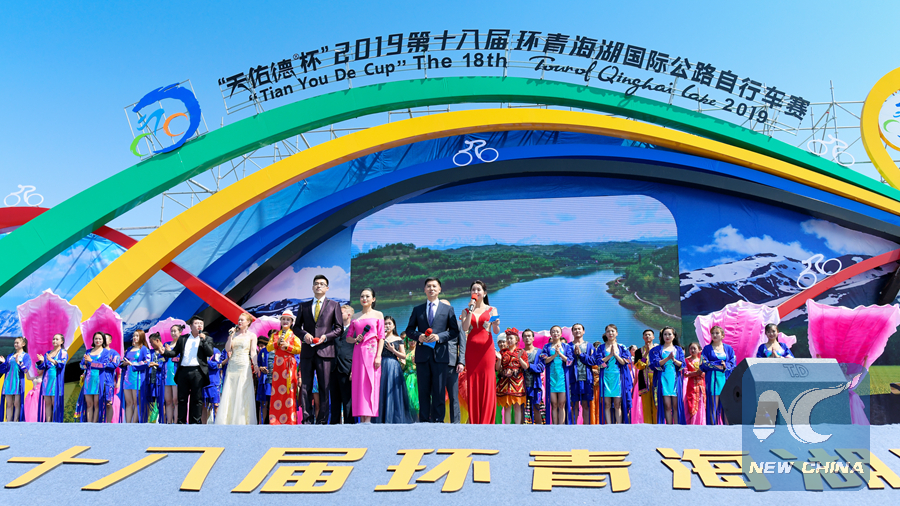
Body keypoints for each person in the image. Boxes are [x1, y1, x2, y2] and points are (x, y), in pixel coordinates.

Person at [405, 277, 462, 423]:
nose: (431, 289)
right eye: (428, 286)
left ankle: (438, 420)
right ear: (424, 289)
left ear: (439, 289)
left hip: (440, 356)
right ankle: (424, 420)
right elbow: (409, 330)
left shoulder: (448, 309)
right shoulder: (417, 309)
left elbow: (454, 331)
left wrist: (439, 337)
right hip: (422, 355)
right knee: (423, 390)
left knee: (439, 390)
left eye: (434, 286)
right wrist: (419, 336)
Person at [295, 274, 345, 425]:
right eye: (316, 283)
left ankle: (322, 420)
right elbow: (296, 327)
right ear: (312, 287)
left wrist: (326, 337)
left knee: (324, 386)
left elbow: (339, 329)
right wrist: (304, 335)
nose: (318, 286)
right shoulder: (303, 306)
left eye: (322, 284)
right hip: (307, 351)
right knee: (305, 386)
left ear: (327, 288)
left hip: (325, 351)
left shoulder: (334, 305)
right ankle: (307, 419)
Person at [153, 315, 216, 424]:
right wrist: (164, 352)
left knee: (197, 399)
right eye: (196, 323)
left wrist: (204, 340)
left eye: (201, 324)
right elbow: (174, 352)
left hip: (198, 371)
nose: (199, 325)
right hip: (183, 371)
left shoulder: (207, 339)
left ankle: (195, 422)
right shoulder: (183, 339)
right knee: (182, 398)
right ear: (190, 326)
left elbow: (209, 352)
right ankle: (181, 422)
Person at [460, 280, 500, 425]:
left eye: (478, 289)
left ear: (485, 293)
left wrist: (494, 324)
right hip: (471, 350)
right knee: (473, 381)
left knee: (487, 380)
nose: (476, 292)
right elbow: (465, 328)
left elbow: (496, 330)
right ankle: (475, 420)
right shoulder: (465, 311)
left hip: (487, 350)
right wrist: (470, 310)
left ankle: (487, 420)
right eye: (473, 289)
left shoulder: (492, 310)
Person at [348, 287, 385, 423]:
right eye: (362, 296)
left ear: (373, 299)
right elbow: (348, 338)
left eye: (367, 296)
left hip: (372, 352)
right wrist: (355, 339)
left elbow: (381, 337)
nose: (364, 299)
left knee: (371, 382)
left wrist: (378, 356)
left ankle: (368, 418)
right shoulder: (355, 317)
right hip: (358, 352)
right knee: (359, 383)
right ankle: (361, 417)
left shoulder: (378, 315)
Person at [215, 313, 259, 425]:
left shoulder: (252, 336)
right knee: (230, 389)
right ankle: (227, 420)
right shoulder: (234, 334)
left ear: (248, 322)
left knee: (242, 389)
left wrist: (256, 365)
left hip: (244, 364)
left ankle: (241, 419)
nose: (239, 322)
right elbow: (227, 348)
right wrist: (230, 336)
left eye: (242, 320)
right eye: (239, 320)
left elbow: (253, 351)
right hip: (233, 364)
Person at [375, 317, 414, 424]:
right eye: (385, 324)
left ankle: (394, 418)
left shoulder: (398, 339)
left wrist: (393, 350)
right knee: (381, 390)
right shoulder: (379, 338)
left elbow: (403, 356)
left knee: (393, 391)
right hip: (381, 365)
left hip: (393, 366)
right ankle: (381, 418)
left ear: (394, 326)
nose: (387, 326)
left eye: (389, 323)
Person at [268, 310, 303, 425]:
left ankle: (289, 419)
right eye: (283, 319)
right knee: (276, 391)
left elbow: (299, 349)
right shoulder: (275, 335)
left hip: (289, 365)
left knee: (289, 390)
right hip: (278, 365)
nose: (285, 321)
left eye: (288, 320)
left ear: (292, 322)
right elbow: (268, 348)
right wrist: (277, 343)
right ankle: (275, 419)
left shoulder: (294, 335)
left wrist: (288, 347)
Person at [597, 324, 633, 424]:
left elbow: (624, 362)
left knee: (618, 404)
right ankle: (608, 425)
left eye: (612, 331)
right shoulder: (601, 347)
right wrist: (610, 355)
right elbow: (599, 363)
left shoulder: (622, 347)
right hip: (606, 377)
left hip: (618, 377)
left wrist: (616, 355)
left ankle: (619, 425)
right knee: (607, 404)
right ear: (605, 333)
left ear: (616, 333)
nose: (610, 333)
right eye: (608, 331)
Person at [649, 326, 686, 425]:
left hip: (675, 379)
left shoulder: (678, 349)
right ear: (662, 336)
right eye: (665, 334)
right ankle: (669, 426)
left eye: (669, 334)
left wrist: (674, 360)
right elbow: (654, 364)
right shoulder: (656, 349)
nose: (667, 336)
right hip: (663, 379)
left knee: (676, 405)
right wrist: (668, 358)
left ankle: (677, 426)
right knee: (667, 405)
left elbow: (683, 364)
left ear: (674, 336)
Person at [701, 325, 736, 425]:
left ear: (723, 335)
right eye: (712, 333)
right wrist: (718, 365)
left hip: (725, 379)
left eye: (717, 333)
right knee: (713, 406)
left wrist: (725, 366)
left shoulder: (728, 348)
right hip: (713, 379)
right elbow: (703, 363)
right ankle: (714, 428)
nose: (714, 335)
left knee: (726, 406)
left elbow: (733, 363)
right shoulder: (707, 349)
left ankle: (728, 428)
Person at [541, 325, 573, 425]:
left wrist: (560, 353)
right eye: (553, 331)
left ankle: (562, 425)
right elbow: (544, 361)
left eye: (557, 331)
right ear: (550, 334)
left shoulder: (566, 347)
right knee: (553, 404)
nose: (555, 333)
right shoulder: (546, 347)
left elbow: (570, 361)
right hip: (551, 378)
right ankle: (554, 425)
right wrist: (554, 355)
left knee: (561, 404)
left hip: (562, 378)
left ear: (561, 334)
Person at [331, 305, 356, 424]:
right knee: (334, 400)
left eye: (340, 313)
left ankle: (349, 426)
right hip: (333, 369)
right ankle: (334, 426)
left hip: (347, 368)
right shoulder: (334, 330)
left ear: (349, 315)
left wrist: (354, 370)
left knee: (348, 401)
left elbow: (357, 351)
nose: (337, 315)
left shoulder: (355, 330)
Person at [497, 328, 527, 424]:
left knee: (517, 406)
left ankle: (517, 427)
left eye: (511, 338)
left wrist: (520, 359)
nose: (509, 340)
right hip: (505, 382)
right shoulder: (502, 352)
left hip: (517, 382)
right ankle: (507, 427)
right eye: (507, 338)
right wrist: (499, 359)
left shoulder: (521, 352)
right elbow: (497, 368)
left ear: (517, 339)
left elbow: (526, 366)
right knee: (507, 407)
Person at [121, 330, 152, 423]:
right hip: (127, 377)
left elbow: (146, 362)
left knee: (136, 402)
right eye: (134, 336)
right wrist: (124, 363)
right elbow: (123, 361)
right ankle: (128, 423)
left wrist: (133, 364)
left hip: (137, 378)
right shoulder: (129, 349)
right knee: (128, 402)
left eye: (137, 336)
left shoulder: (144, 349)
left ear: (141, 337)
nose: (135, 337)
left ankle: (134, 423)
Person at [35, 333, 67, 422]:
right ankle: (48, 423)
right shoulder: (48, 353)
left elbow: (62, 364)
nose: (54, 341)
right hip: (46, 380)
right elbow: (42, 367)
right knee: (47, 403)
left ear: (62, 341)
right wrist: (42, 361)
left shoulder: (63, 352)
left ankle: (55, 423)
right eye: (53, 339)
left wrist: (51, 360)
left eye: (57, 339)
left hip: (56, 380)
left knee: (54, 402)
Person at [0, 337, 32, 422]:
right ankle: (8, 421)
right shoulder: (10, 356)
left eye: (17, 343)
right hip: (8, 382)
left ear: (23, 344)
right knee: (9, 404)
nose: (15, 344)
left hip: (18, 382)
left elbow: (26, 370)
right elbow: (4, 370)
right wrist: (3, 363)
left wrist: (19, 363)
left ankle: (15, 422)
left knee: (17, 403)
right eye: (15, 343)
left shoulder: (26, 356)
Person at [79, 332, 108, 423]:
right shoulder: (88, 351)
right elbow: (81, 366)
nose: (97, 340)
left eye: (100, 339)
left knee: (97, 404)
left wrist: (91, 361)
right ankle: (89, 423)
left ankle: (94, 424)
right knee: (89, 404)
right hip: (88, 380)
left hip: (99, 379)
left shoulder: (105, 352)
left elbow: (104, 365)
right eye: (96, 338)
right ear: (93, 340)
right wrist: (85, 362)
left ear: (103, 340)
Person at [569, 323, 595, 424]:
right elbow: (567, 362)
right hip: (573, 379)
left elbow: (593, 361)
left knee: (586, 405)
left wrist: (581, 354)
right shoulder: (568, 346)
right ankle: (573, 427)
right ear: (572, 332)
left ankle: (586, 428)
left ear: (583, 331)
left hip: (586, 379)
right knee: (574, 405)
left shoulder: (589, 346)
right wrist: (574, 355)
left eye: (579, 329)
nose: (577, 331)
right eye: (575, 329)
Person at [633, 329, 657, 424]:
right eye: (646, 335)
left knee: (656, 404)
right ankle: (648, 426)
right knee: (646, 405)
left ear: (653, 337)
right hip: (644, 379)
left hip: (656, 378)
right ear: (643, 337)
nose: (647, 336)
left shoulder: (658, 350)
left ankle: (657, 426)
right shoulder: (639, 351)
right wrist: (646, 353)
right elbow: (639, 366)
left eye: (649, 335)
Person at [521, 329, 545, 424]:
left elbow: (541, 367)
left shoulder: (539, 352)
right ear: (522, 339)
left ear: (533, 338)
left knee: (537, 408)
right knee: (523, 409)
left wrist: (528, 366)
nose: (527, 338)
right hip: (522, 385)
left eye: (529, 336)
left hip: (535, 385)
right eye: (525, 336)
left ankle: (539, 430)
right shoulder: (520, 352)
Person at [202, 341, 226, 424]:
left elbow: (218, 365)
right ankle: (203, 426)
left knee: (216, 405)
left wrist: (206, 362)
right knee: (204, 406)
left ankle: (217, 425)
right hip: (203, 382)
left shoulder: (216, 351)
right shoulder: (201, 351)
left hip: (214, 382)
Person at [162, 325, 181, 424]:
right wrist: (163, 352)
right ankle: (169, 422)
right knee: (168, 401)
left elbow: (182, 359)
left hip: (177, 374)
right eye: (172, 331)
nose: (173, 333)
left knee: (176, 400)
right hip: (167, 374)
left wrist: (170, 352)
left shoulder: (182, 344)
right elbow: (162, 359)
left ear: (180, 332)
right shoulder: (166, 344)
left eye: (175, 331)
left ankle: (176, 422)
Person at [684, 342, 706, 425]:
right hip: (692, 386)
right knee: (692, 403)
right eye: (691, 348)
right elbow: (685, 373)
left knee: (702, 403)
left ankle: (702, 422)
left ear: (699, 350)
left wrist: (702, 373)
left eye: (694, 348)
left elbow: (706, 372)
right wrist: (695, 373)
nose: (692, 350)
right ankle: (693, 423)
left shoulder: (702, 361)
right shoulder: (686, 360)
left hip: (702, 386)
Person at [147, 333, 167, 424]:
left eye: (152, 342)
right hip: (151, 380)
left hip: (161, 380)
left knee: (162, 401)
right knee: (151, 401)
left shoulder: (164, 351)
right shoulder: (150, 352)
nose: (151, 344)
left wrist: (156, 364)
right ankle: (151, 421)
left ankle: (163, 420)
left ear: (157, 340)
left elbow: (165, 365)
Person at [102, 333, 122, 423]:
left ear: (110, 341)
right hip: (96, 380)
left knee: (108, 403)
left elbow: (115, 365)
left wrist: (99, 364)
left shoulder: (114, 353)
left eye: (106, 339)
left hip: (108, 381)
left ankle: (109, 423)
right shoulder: (96, 352)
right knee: (96, 402)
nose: (104, 340)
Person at [401, 332, 419, 421]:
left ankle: (418, 419)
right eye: (410, 340)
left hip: (416, 378)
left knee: (416, 400)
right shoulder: (404, 351)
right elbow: (402, 368)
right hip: (406, 377)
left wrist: (416, 363)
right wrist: (402, 364)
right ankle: (409, 419)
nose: (412, 342)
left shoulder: (419, 351)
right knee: (408, 398)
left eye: (414, 340)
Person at [256, 333, 272, 424]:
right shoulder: (262, 351)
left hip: (274, 380)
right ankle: (261, 423)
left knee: (273, 403)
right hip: (264, 380)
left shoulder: (278, 350)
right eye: (271, 337)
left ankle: (272, 423)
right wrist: (261, 368)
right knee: (263, 403)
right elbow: (257, 364)